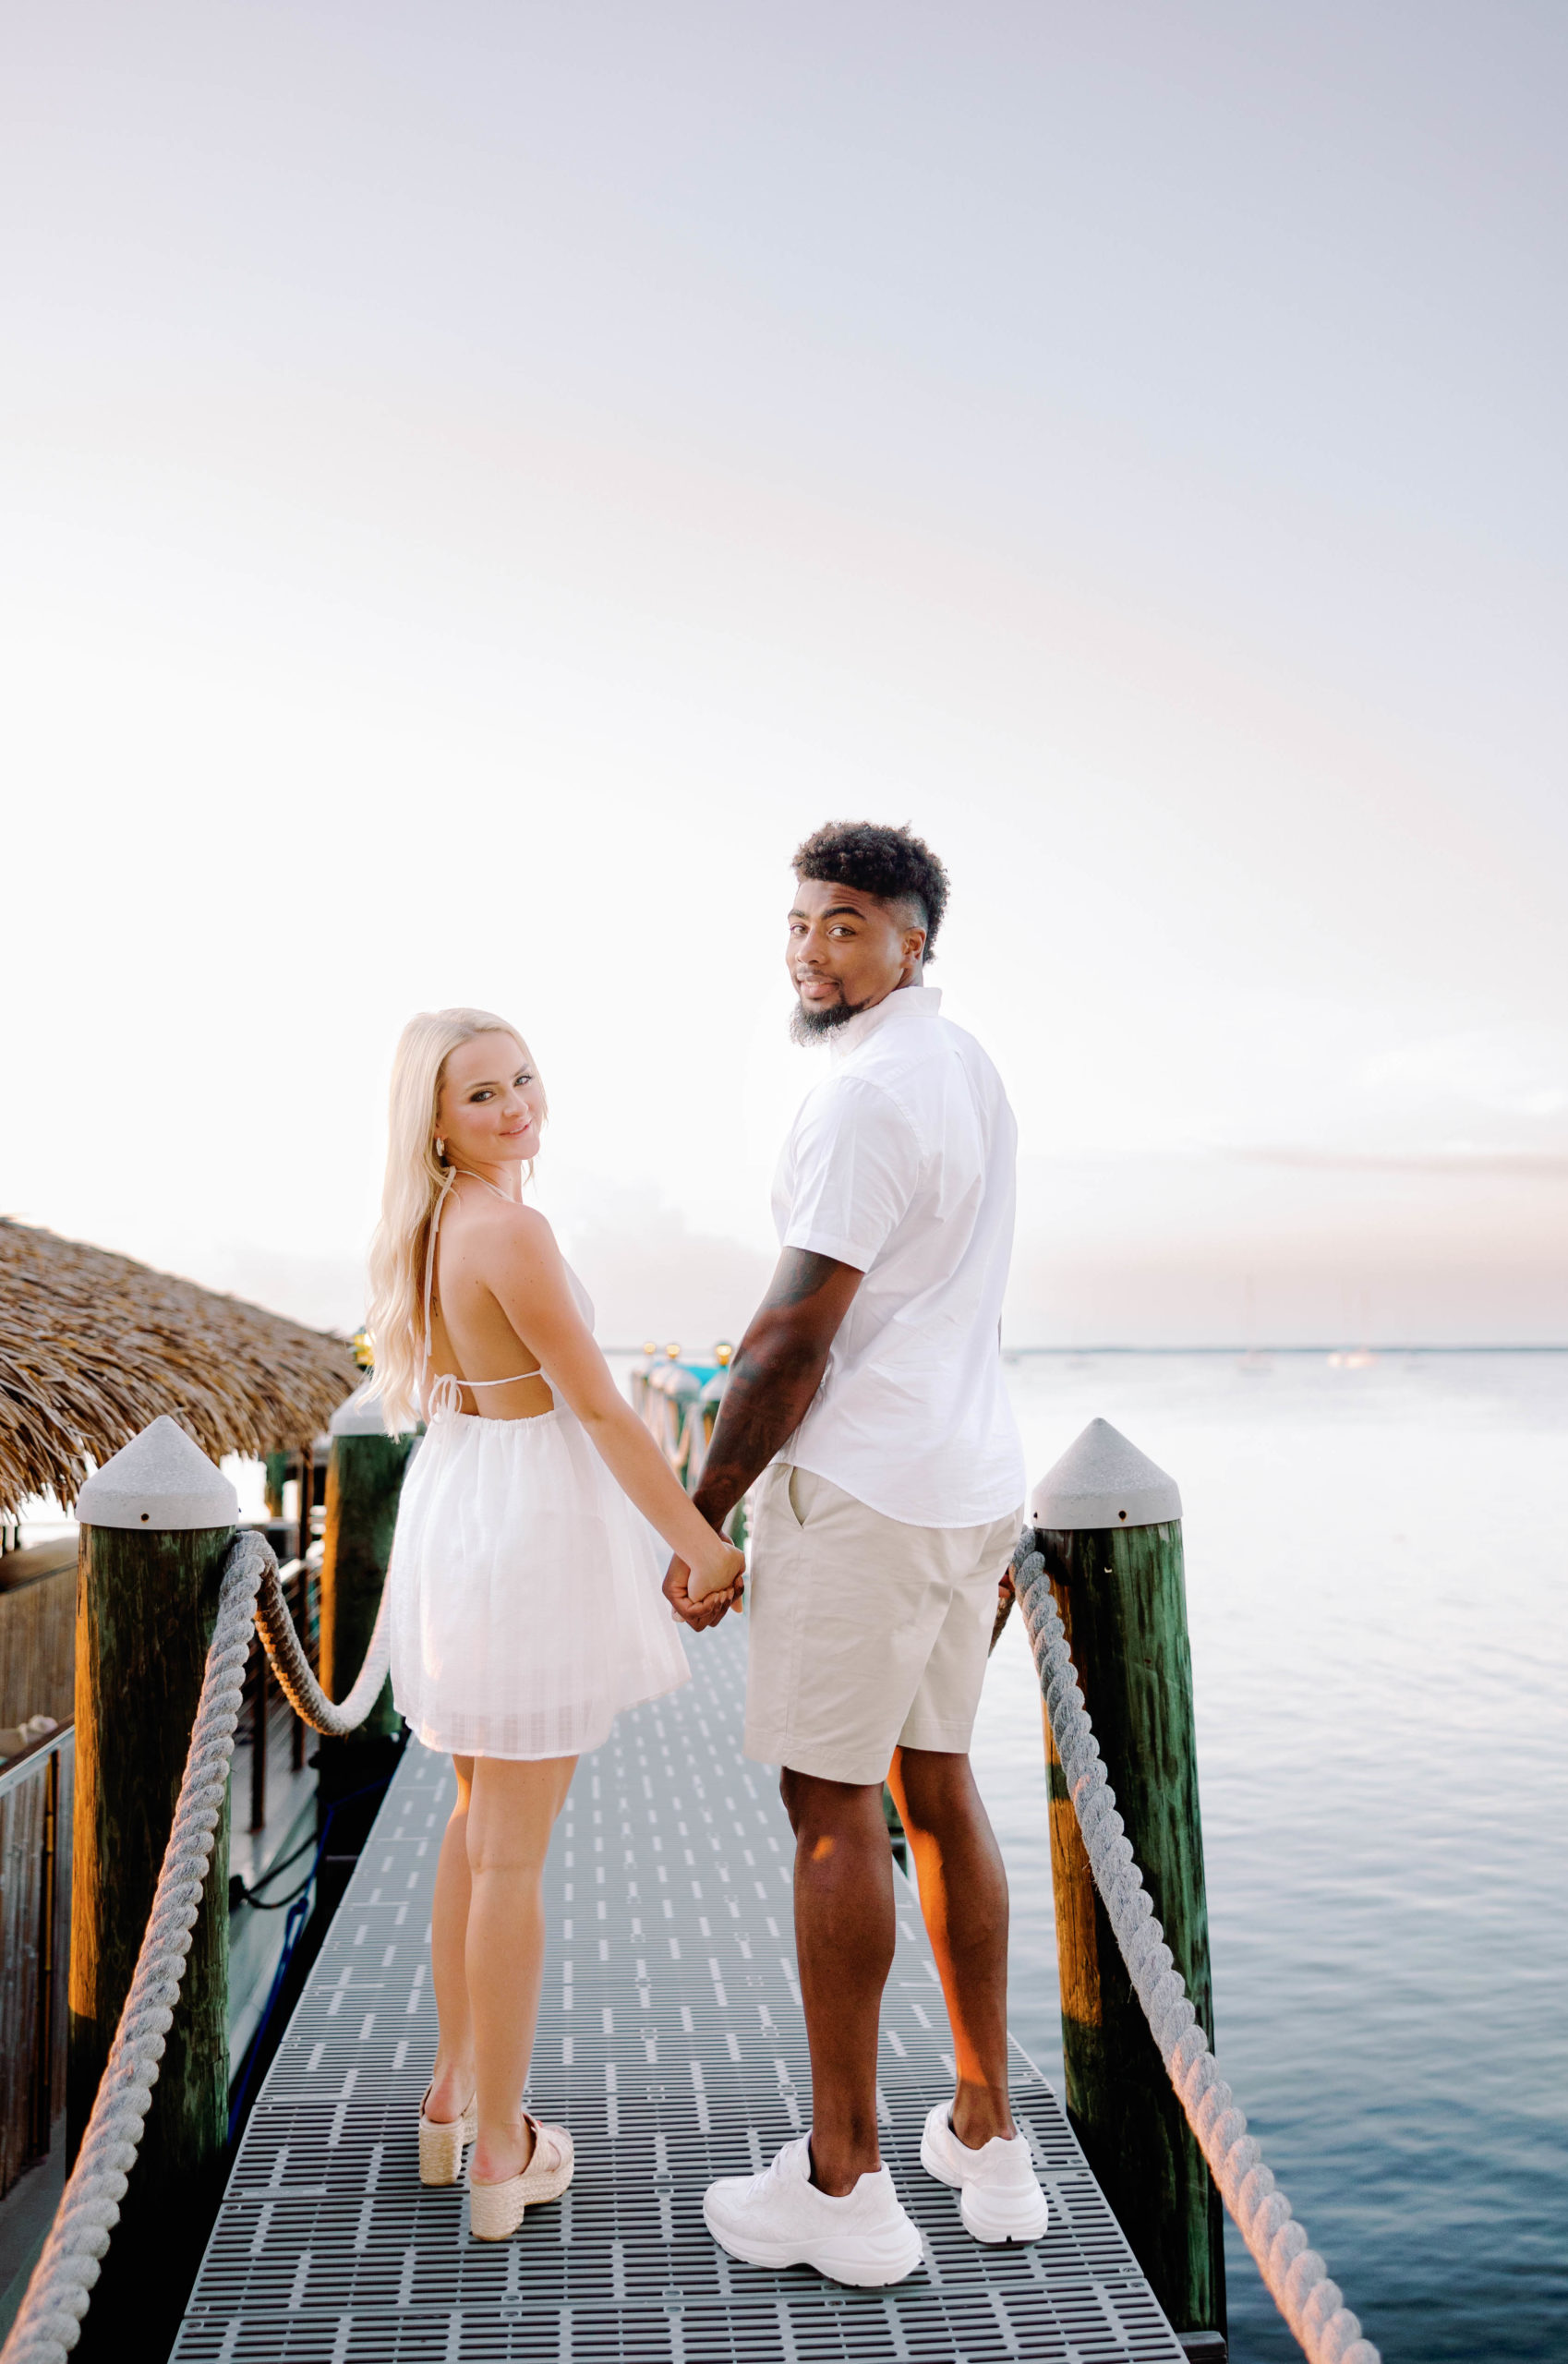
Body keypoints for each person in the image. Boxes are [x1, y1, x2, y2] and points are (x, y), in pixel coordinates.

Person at [664, 823, 1047, 2286]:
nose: (814, 950)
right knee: (937, 1789)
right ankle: (986, 2135)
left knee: (831, 1812)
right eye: (801, 923)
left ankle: (843, 2182)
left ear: (913, 943)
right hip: (964, 1484)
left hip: (869, 1491)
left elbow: (784, 1339)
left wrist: (705, 1514)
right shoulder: (967, 1072)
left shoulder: (864, 1099)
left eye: (848, 926)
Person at [366, 1007, 744, 2242]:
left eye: (522, 1078)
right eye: (479, 1093)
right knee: (512, 1851)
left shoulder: (428, 1231)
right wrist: (702, 1549)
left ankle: (451, 2099)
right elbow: (605, 1414)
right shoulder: (510, 1230)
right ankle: (500, 2152)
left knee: (480, 1821)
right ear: (432, 1117)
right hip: (525, 1526)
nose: (515, 1104)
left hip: (469, 1505)